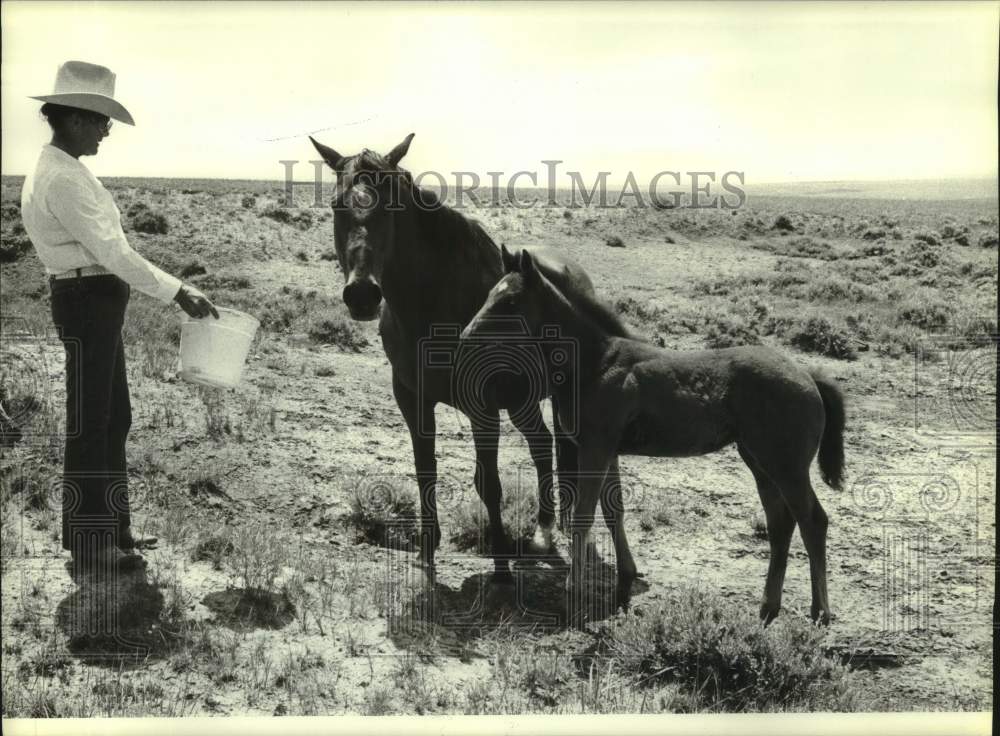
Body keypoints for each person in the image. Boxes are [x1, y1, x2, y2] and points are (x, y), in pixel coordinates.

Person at [20, 60, 219, 580]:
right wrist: (177, 291)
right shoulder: (61, 176)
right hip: (86, 297)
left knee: (113, 417)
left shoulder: (66, 169)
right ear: (76, 117)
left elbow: (111, 252)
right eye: (102, 119)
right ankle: (91, 543)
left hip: (92, 297)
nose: (107, 130)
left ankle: (112, 529)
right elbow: (113, 251)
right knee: (93, 421)